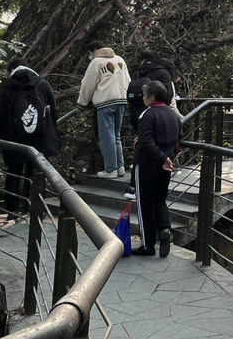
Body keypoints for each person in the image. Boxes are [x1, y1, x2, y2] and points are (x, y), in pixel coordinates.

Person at [0, 58, 59, 216]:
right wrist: (54, 135)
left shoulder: (7, 88)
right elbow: (52, 111)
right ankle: (36, 210)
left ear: (11, 70)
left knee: (14, 174)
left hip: (14, 141)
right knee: (38, 175)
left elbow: (1, 116)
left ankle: (12, 210)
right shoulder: (43, 85)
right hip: (40, 140)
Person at [131, 80, 182, 257]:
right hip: (165, 166)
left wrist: (161, 158)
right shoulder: (172, 114)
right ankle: (165, 229)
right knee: (160, 199)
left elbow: (146, 140)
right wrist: (168, 158)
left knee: (145, 203)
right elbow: (178, 139)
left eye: (145, 95)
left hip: (147, 163)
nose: (143, 97)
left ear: (152, 97)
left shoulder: (147, 114)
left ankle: (148, 245)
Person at [124, 50, 182, 199]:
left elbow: (146, 142)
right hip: (160, 118)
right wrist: (165, 158)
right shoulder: (162, 73)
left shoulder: (139, 71)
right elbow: (178, 136)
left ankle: (133, 188)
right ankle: (166, 167)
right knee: (159, 201)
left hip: (136, 114)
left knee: (143, 147)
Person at [77, 40, 130, 178]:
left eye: (89, 53)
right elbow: (128, 81)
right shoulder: (120, 60)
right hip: (121, 100)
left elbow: (88, 85)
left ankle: (110, 169)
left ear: (93, 50)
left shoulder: (96, 62)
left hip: (105, 102)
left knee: (107, 137)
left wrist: (82, 103)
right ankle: (120, 167)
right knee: (116, 135)